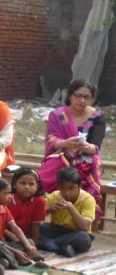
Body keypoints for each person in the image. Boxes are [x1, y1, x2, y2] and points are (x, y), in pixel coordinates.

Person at [39, 80, 105, 223]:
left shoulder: (97, 117)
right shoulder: (58, 115)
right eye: (78, 96)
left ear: (91, 98)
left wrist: (87, 147)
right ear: (70, 95)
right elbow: (51, 139)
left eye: (86, 97)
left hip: (87, 156)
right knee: (51, 167)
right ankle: (38, 204)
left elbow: (96, 147)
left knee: (91, 162)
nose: (82, 100)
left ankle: (86, 215)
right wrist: (65, 143)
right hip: (62, 154)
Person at [39, 167, 95, 257]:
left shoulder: (88, 199)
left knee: (84, 238)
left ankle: (49, 245)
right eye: (63, 188)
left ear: (80, 186)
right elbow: (36, 218)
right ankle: (58, 248)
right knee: (32, 228)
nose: (67, 192)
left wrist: (71, 208)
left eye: (71, 188)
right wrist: (49, 209)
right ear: (58, 186)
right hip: (55, 230)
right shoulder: (54, 196)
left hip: (75, 233)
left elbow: (85, 227)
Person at [0, 177, 35, 268]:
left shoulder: (4, 209)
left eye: (10, 193)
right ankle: (16, 260)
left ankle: (14, 259)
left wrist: (27, 245)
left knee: (29, 241)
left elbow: (15, 227)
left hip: (4, 244)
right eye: (6, 193)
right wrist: (16, 252)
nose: (10, 196)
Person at [9, 168, 46, 248]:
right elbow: (2, 226)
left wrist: (33, 246)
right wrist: (16, 239)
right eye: (22, 183)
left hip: (24, 236)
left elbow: (35, 226)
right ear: (15, 184)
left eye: (31, 184)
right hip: (4, 235)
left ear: (37, 186)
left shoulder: (39, 201)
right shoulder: (8, 198)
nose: (27, 187)